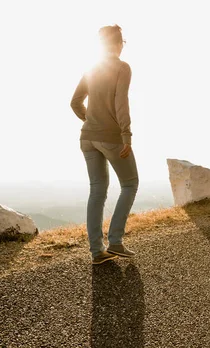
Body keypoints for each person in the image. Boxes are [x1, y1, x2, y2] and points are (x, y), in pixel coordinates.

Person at [71, 24, 138, 265]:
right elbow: (121, 101)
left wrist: (91, 120)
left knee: (97, 191)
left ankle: (97, 251)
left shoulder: (91, 68)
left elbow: (75, 102)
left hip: (87, 138)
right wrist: (126, 134)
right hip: (111, 138)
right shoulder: (122, 67)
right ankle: (116, 241)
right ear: (119, 44)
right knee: (130, 184)